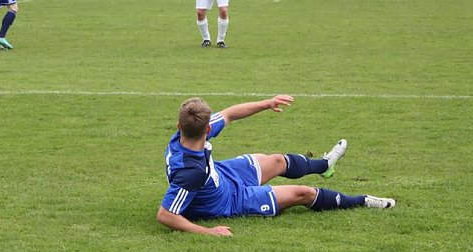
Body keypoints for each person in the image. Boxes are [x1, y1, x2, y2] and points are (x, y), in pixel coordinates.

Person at [157, 95, 395, 236]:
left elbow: (229, 114)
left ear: (179, 126)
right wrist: (208, 232)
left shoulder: (186, 135)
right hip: (229, 200)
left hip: (223, 174)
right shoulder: (190, 172)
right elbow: (166, 215)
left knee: (277, 160)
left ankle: (324, 165)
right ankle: (362, 200)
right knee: (303, 193)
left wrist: (267, 103)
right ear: (207, 130)